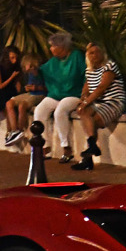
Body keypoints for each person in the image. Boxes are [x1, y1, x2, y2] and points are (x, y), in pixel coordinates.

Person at [71, 42, 126, 171]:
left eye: (97, 52)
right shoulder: (89, 70)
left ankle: (88, 158)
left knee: (92, 122)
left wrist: (86, 102)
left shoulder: (109, 66)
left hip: (114, 102)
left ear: (103, 54)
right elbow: (86, 88)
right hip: (99, 103)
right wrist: (83, 100)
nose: (94, 55)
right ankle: (91, 148)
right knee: (84, 113)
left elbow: (101, 88)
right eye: (91, 53)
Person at [31, 32, 85, 163]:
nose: (51, 49)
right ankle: (44, 147)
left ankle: (66, 147)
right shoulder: (53, 61)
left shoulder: (76, 56)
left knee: (60, 111)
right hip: (56, 95)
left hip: (74, 94)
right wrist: (33, 70)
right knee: (39, 110)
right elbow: (41, 72)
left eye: (53, 46)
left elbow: (85, 74)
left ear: (62, 46)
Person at [3, 53, 47, 146]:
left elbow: (48, 87)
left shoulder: (40, 71)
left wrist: (37, 88)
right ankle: (14, 131)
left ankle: (20, 129)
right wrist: (28, 88)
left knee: (22, 105)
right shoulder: (29, 74)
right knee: (9, 103)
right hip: (31, 93)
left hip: (40, 94)